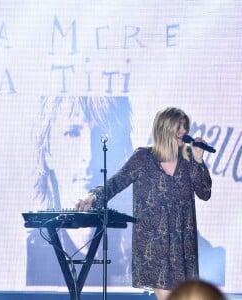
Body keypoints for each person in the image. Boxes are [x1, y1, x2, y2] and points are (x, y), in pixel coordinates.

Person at [76, 106, 212, 300]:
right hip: (153, 244)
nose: (183, 137)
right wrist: (93, 196)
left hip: (182, 246)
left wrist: (199, 161)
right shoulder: (143, 157)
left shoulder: (189, 161)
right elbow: (117, 181)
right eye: (178, 132)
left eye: (185, 133)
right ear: (164, 131)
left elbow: (205, 193)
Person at [27, 95, 134, 286]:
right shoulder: (27, 251)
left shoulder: (139, 248)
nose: (88, 156)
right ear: (48, 151)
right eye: (72, 133)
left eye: (101, 134)